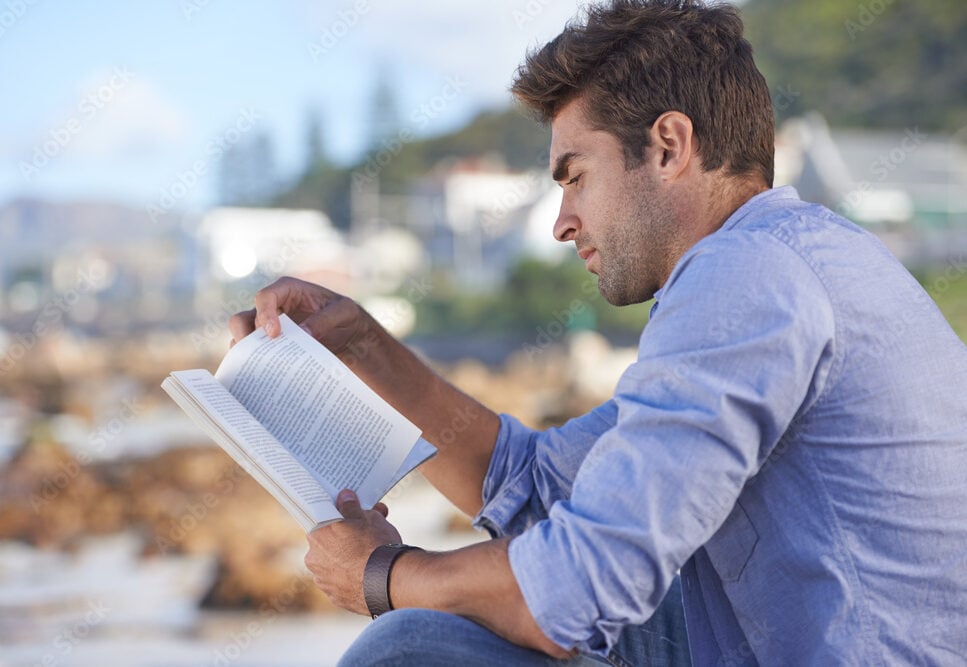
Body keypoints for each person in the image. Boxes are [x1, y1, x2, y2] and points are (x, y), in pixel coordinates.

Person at [229, 0, 967, 664]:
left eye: (574, 175)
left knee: (413, 646)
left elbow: (580, 591)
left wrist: (386, 576)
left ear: (670, 146)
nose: (560, 223)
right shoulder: (782, 260)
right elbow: (536, 484)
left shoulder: (746, 278)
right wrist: (362, 346)